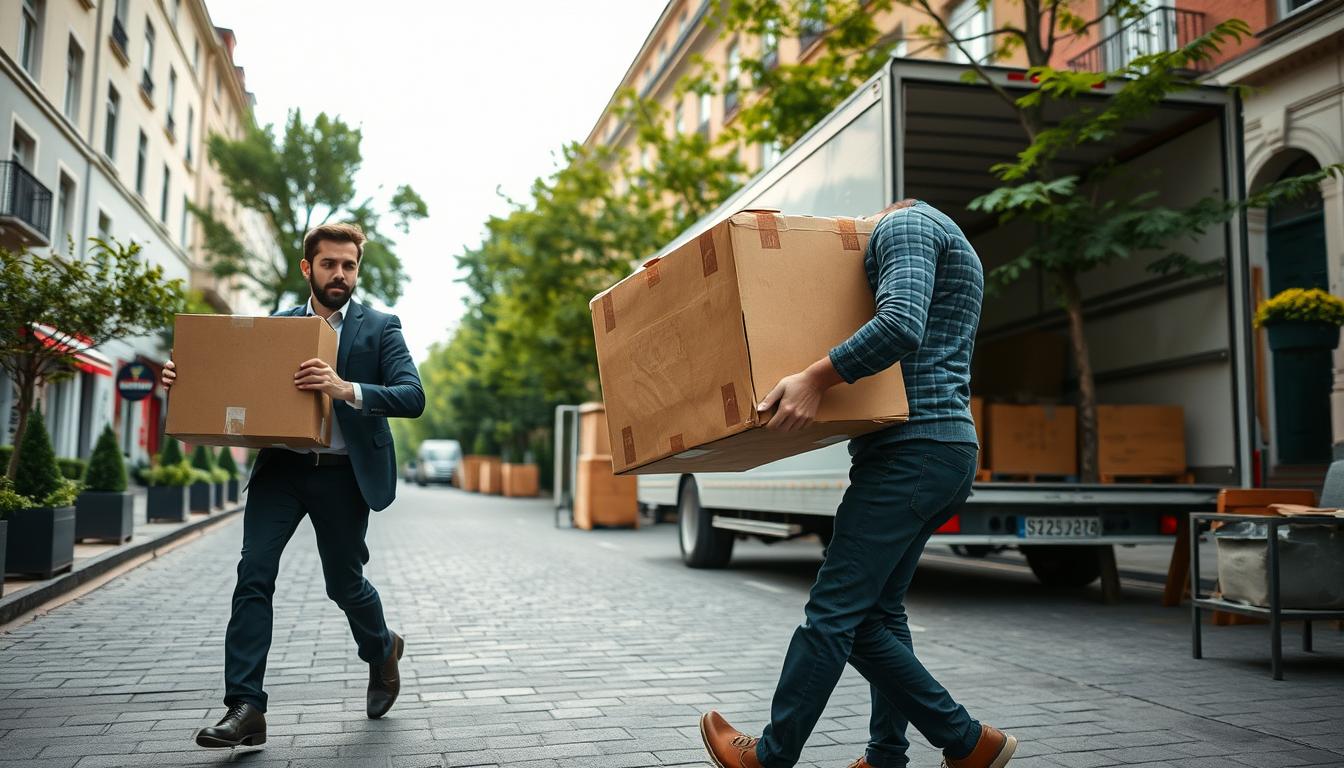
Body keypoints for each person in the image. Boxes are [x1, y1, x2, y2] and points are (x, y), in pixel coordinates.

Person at [699, 200, 1017, 768]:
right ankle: (888, 755)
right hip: (936, 448)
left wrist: (813, 380)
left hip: (913, 451)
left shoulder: (905, 225)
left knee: (834, 614)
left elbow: (900, 323)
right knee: (880, 615)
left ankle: (773, 756)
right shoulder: (944, 235)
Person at [161, 223, 425, 749]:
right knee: (253, 572)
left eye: (349, 265)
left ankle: (382, 650)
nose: (340, 275)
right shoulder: (277, 328)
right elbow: (230, 382)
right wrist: (184, 378)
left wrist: (345, 388)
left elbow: (411, 395)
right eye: (329, 264)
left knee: (344, 584)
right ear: (308, 268)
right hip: (281, 471)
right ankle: (246, 707)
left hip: (344, 477)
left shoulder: (380, 328)